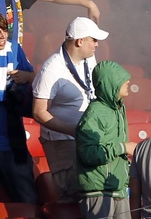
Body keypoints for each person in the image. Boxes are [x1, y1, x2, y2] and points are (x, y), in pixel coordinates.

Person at [32, 17, 109, 200]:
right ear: (80, 41)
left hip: (85, 136)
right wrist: (74, 131)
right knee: (71, 192)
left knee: (90, 190)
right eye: (94, 40)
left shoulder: (88, 59)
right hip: (62, 141)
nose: (97, 45)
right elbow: (38, 112)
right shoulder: (51, 69)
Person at [75, 59, 134, 219]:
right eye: (122, 79)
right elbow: (88, 153)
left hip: (117, 190)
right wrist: (123, 148)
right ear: (111, 83)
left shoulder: (118, 109)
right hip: (98, 191)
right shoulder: (95, 113)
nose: (128, 81)